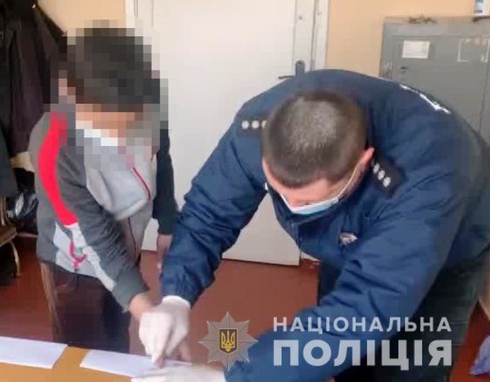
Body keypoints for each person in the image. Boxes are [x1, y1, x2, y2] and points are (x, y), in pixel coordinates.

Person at [134, 70, 490, 381]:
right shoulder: (257, 128)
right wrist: (176, 297)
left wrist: (231, 378)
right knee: (347, 361)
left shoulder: (429, 177)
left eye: (306, 201)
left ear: (362, 162)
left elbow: (364, 309)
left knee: (409, 365)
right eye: (279, 191)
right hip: (351, 235)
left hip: (447, 251)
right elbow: (209, 214)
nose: (292, 209)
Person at [29, 24, 178, 353]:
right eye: (109, 129)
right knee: (84, 355)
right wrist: (147, 312)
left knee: (116, 340)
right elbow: (96, 240)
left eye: (131, 126)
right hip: (76, 266)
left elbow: (161, 159)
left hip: (126, 249)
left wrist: (168, 222)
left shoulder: (148, 103)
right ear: (72, 97)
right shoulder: (54, 146)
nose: (123, 141)